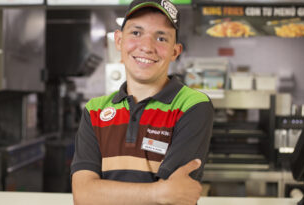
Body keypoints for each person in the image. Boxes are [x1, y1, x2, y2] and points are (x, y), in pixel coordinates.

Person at [71, 0, 214, 204]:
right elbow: (83, 195)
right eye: (136, 33)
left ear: (175, 51)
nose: (147, 47)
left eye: (161, 37)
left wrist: (102, 192)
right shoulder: (95, 110)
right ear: (119, 41)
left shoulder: (192, 105)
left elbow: (175, 197)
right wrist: (158, 193)